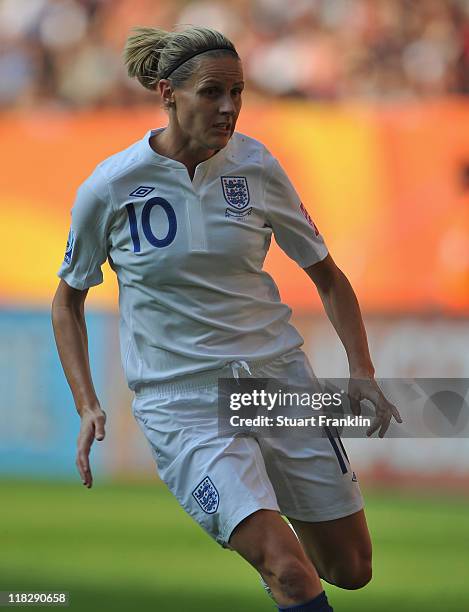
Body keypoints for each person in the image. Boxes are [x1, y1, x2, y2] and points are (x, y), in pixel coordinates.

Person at [51, 25, 402, 612]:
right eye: (212, 92)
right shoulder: (111, 187)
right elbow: (68, 299)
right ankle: (272, 557)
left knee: (351, 568)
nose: (229, 107)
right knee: (290, 571)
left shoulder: (257, 167)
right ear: (167, 92)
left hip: (277, 384)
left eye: (238, 92)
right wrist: (87, 402)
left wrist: (361, 369)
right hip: (181, 402)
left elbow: (329, 277)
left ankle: (278, 550)